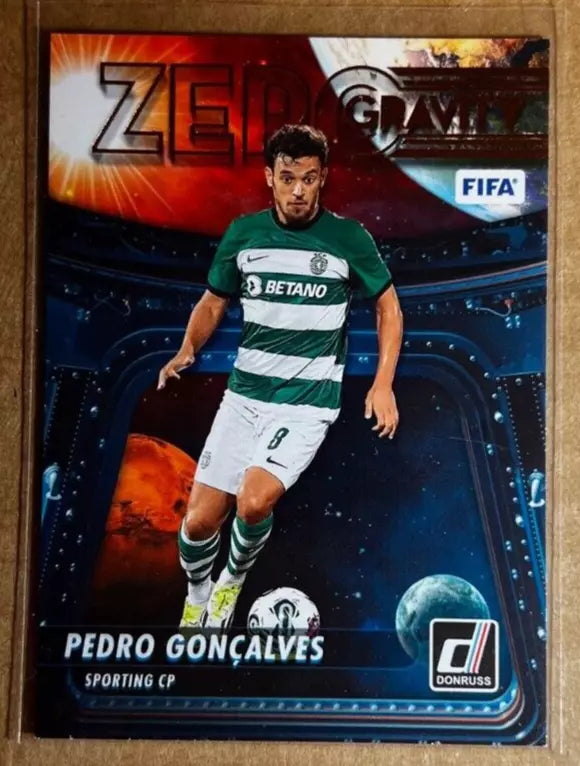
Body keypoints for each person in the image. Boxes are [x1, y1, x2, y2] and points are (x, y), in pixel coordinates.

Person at [157, 124, 403, 631]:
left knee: (252, 503)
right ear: (270, 177)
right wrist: (187, 348)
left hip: (307, 403)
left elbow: (388, 307)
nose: (298, 191)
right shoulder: (243, 234)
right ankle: (198, 596)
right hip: (243, 398)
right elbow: (213, 301)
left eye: (308, 179)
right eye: (288, 178)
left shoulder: (348, 239)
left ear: (322, 178)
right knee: (198, 522)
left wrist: (382, 383)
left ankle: (230, 583)